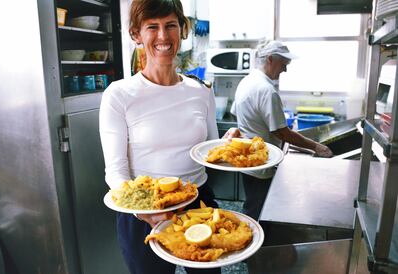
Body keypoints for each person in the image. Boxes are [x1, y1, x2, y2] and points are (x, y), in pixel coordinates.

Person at [99, 1, 238, 273]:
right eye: (152, 27)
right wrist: (144, 211)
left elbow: (209, 153)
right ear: (136, 34)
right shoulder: (119, 95)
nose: (163, 36)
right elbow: (116, 172)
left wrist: (228, 147)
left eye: (170, 25)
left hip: (199, 204)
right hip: (142, 212)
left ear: (182, 30)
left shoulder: (201, 91)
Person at [230, 40, 333, 220]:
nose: (285, 70)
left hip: (248, 160)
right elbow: (282, 133)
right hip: (262, 164)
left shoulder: (246, 81)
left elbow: (234, 114)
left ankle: (255, 239)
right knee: (258, 211)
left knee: (253, 205)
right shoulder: (267, 90)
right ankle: (256, 244)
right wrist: (316, 147)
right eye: (284, 64)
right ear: (270, 59)